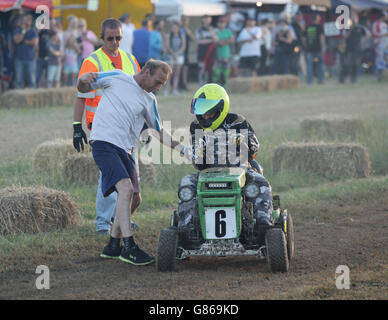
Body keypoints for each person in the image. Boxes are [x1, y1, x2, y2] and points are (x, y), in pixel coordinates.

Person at [77, 59, 192, 265]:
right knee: (126, 190)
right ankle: (129, 246)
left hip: (125, 150)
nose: (158, 88)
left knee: (136, 199)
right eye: (157, 82)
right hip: (104, 142)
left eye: (162, 85)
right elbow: (84, 86)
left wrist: (183, 149)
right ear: (146, 72)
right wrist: (83, 80)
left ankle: (113, 245)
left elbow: (158, 131)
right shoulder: (117, 77)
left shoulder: (149, 100)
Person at [72, 18, 141, 234]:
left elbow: (141, 93)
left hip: (128, 128)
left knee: (130, 176)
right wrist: (76, 126)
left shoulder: (130, 60)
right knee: (110, 176)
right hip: (103, 129)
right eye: (110, 38)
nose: (114, 42)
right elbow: (81, 95)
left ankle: (120, 220)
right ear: (102, 38)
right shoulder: (92, 62)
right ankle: (103, 222)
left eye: (118, 38)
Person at [187, 83, 273, 228]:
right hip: (209, 172)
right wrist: (199, 152)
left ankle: (262, 221)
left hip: (240, 169)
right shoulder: (196, 126)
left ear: (221, 108)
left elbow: (253, 151)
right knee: (186, 185)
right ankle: (188, 226)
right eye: (202, 111)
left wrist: (243, 142)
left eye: (209, 112)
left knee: (261, 184)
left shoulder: (238, 121)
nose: (205, 116)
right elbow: (198, 163)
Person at [339, 13, 370, 84]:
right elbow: (344, 37)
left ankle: (353, 80)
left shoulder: (360, 28)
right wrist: (351, 29)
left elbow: (368, 35)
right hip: (349, 50)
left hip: (357, 50)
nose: (354, 20)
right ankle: (342, 80)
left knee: (355, 65)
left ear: (357, 19)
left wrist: (363, 41)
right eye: (352, 18)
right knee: (346, 65)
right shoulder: (347, 28)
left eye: (355, 18)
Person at [12, 13, 38, 89]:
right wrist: (23, 31)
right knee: (19, 80)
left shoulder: (33, 31)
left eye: (27, 20)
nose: (26, 22)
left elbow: (35, 42)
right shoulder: (17, 30)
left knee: (32, 80)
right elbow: (17, 40)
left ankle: (32, 97)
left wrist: (24, 41)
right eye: (24, 20)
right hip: (19, 59)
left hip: (30, 59)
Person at [164, 21, 186, 96]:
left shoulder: (181, 35)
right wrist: (173, 54)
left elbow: (183, 46)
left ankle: (175, 89)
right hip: (170, 56)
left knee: (177, 73)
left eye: (176, 27)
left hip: (179, 55)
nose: (175, 29)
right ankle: (166, 90)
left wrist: (178, 54)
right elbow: (168, 46)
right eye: (173, 27)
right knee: (169, 73)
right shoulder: (168, 35)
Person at [195, 15, 218, 85]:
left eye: (208, 19)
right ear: (202, 20)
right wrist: (211, 40)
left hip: (212, 53)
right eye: (205, 19)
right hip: (202, 54)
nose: (207, 21)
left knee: (211, 70)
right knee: (202, 70)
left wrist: (211, 32)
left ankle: (211, 85)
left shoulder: (213, 29)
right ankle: (202, 86)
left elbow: (216, 40)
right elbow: (199, 41)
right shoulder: (199, 30)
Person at [213, 16, 234, 87]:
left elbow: (232, 40)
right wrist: (226, 41)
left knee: (226, 72)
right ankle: (216, 85)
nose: (221, 24)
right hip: (217, 54)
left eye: (223, 22)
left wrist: (222, 42)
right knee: (217, 72)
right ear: (217, 23)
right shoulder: (215, 31)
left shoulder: (228, 31)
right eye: (220, 22)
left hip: (226, 54)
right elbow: (216, 42)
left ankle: (225, 86)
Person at [305, 14, 325, 84]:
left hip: (309, 49)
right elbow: (321, 38)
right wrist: (323, 48)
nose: (319, 19)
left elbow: (304, 39)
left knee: (309, 66)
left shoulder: (307, 27)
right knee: (320, 64)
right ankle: (321, 80)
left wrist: (306, 46)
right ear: (316, 19)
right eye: (319, 17)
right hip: (318, 49)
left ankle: (309, 81)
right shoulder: (319, 27)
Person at [179, 15, 195, 91]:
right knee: (179, 69)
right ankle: (179, 84)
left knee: (185, 68)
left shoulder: (188, 30)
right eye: (183, 20)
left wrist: (187, 30)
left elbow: (193, 38)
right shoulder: (179, 29)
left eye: (186, 20)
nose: (184, 22)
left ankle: (184, 84)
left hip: (186, 52)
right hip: (179, 52)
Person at [372, 12, 388, 81]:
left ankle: (385, 74)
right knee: (379, 59)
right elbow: (374, 34)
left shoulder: (385, 24)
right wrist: (382, 35)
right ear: (383, 16)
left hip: (386, 43)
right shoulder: (376, 24)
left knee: (385, 58)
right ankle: (379, 75)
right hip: (379, 44)